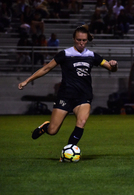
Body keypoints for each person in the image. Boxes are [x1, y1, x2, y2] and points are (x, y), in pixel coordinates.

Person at [18, 25, 118, 161]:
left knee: (81, 121)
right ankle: (45, 127)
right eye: (78, 40)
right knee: (53, 131)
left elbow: (111, 68)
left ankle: (67, 151)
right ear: (73, 39)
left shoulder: (92, 56)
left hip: (84, 97)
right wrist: (27, 80)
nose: (81, 43)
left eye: (84, 40)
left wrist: (114, 64)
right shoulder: (65, 54)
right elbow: (46, 68)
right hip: (65, 96)